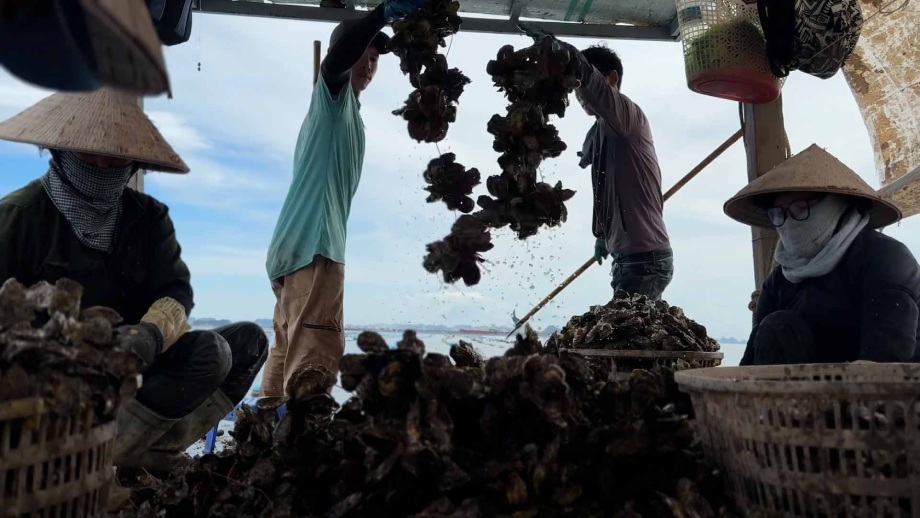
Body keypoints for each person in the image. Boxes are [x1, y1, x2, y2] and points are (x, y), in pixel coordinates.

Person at [0, 88, 269, 472]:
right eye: (89, 151)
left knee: (239, 345)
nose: (104, 164)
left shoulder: (148, 218)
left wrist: (149, 335)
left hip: (136, 371)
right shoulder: (18, 216)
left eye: (117, 155)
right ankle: (80, 462)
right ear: (59, 148)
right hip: (56, 386)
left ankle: (142, 455)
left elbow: (175, 291)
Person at [261, 0, 426, 396]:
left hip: (292, 246)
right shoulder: (331, 96)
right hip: (316, 246)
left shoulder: (344, 110)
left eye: (375, 60)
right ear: (345, 54)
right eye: (363, 55)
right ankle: (298, 450)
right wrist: (382, 14)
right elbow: (336, 61)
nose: (369, 65)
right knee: (314, 359)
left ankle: (266, 431)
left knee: (287, 350)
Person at [723, 144, 920, 365]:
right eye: (779, 214)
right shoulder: (779, 281)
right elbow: (750, 363)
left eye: (800, 208)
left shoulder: (885, 259)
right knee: (776, 327)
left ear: (836, 205)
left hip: (889, 391)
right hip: (797, 394)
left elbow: (887, 357)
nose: (789, 222)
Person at [525, 33, 671, 301]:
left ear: (612, 79)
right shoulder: (600, 130)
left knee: (626, 339)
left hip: (646, 261)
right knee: (626, 335)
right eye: (575, 88)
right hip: (628, 259)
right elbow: (605, 188)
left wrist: (564, 53)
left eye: (581, 85)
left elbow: (595, 87)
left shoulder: (628, 115)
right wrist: (602, 235)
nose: (579, 93)